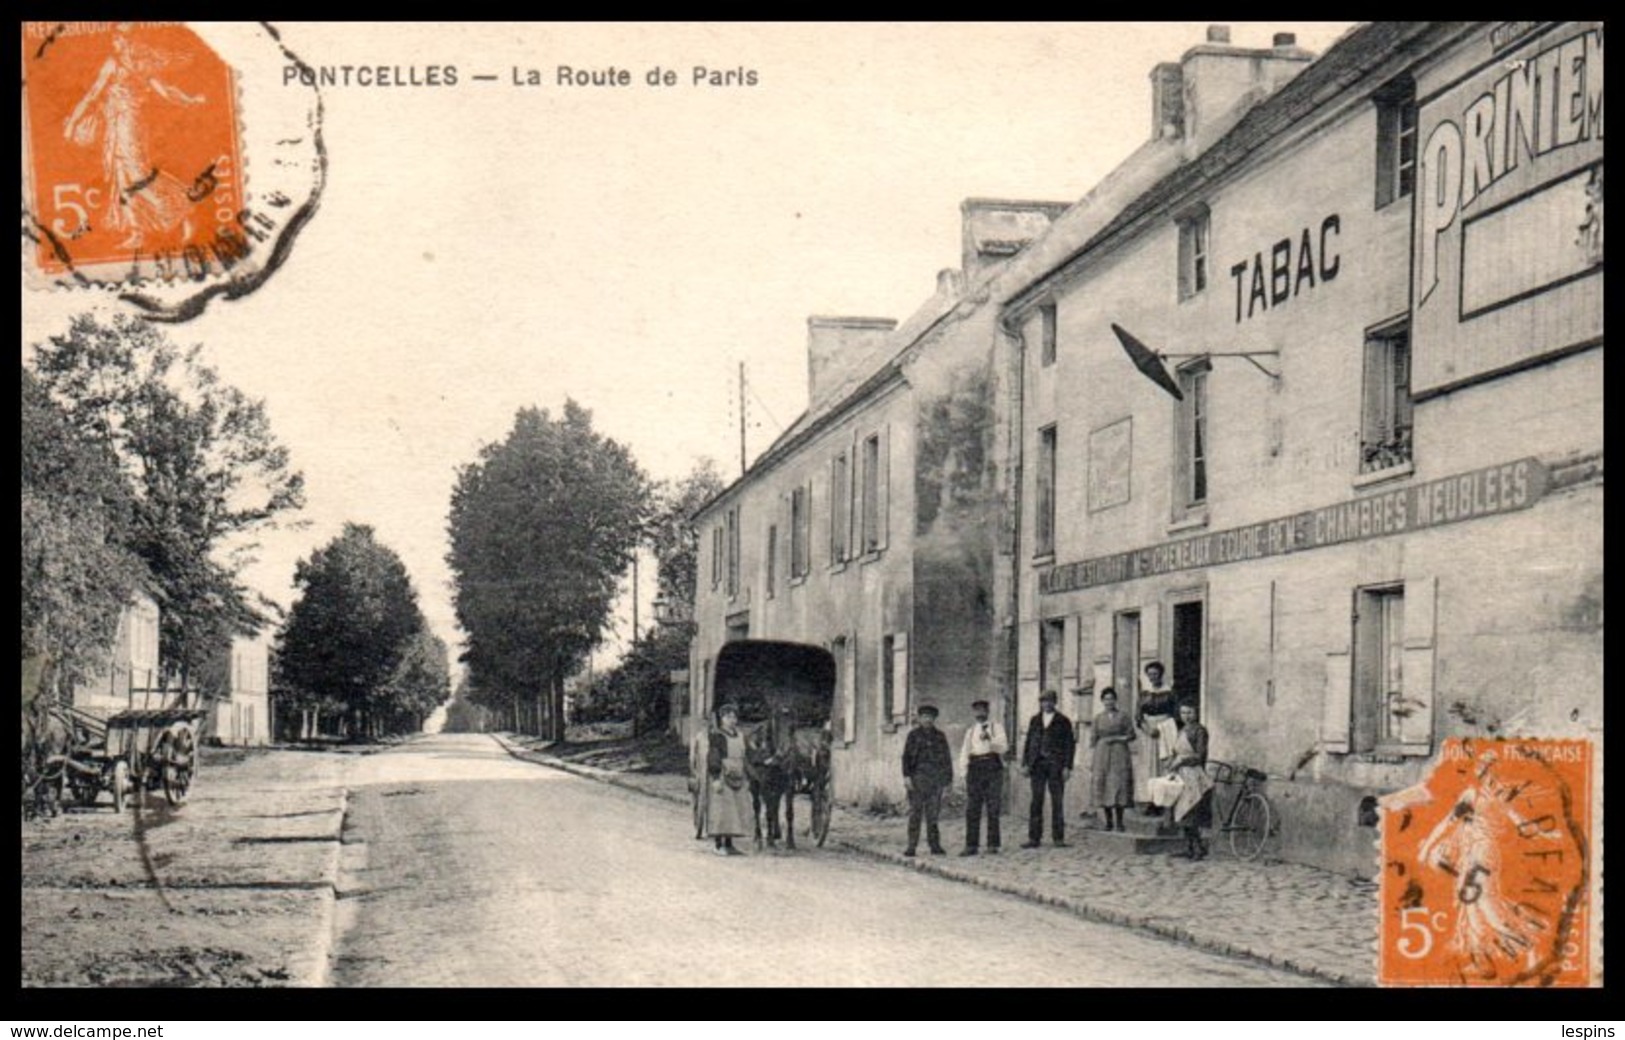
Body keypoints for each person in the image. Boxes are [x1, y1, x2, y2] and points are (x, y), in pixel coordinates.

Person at [1020, 690, 1076, 848]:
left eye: (1050, 701)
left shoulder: (1063, 721)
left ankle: (1058, 838)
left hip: (1055, 765)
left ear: (1055, 702)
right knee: (1036, 801)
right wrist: (1025, 763)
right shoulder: (1035, 720)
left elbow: (1069, 745)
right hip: (1037, 764)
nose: (1047, 704)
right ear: (1040, 703)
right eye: (1044, 701)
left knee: (1057, 801)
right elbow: (1029, 743)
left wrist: (1067, 766)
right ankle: (1034, 838)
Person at [901, 702, 953, 856]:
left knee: (933, 815)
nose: (927, 720)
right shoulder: (913, 736)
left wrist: (948, 781)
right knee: (915, 814)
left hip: (935, 780)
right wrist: (907, 776)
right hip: (917, 779)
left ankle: (935, 846)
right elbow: (906, 758)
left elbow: (946, 759)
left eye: (930, 717)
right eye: (924, 717)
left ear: (934, 719)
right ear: (919, 718)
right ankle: (911, 846)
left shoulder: (940, 737)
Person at [957, 698, 1008, 855]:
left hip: (992, 767)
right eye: (977, 711)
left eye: (982, 710)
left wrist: (990, 740)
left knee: (993, 806)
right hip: (975, 768)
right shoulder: (970, 731)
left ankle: (993, 844)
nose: (980, 713)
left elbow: (1004, 747)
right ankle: (971, 845)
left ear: (987, 712)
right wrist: (964, 773)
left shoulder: (996, 727)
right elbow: (965, 753)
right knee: (973, 808)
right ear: (974, 713)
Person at [1168, 700, 1216, 860]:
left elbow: (1200, 755)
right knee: (1181, 812)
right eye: (1183, 713)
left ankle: (1198, 848)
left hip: (1194, 774)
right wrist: (1172, 761)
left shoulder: (1200, 731)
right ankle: (1188, 847)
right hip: (1181, 774)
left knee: (1191, 811)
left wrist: (1182, 761)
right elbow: (1176, 752)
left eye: (1190, 713)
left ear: (1196, 713)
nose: (1186, 716)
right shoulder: (1181, 730)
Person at [705, 703, 753, 856]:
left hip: (738, 776)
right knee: (722, 811)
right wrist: (715, 778)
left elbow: (746, 756)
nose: (732, 720)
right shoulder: (717, 736)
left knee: (735, 811)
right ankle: (718, 845)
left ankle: (730, 844)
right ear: (722, 719)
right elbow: (714, 757)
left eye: (734, 717)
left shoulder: (740, 736)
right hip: (723, 776)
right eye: (728, 717)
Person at [1090, 688, 1136, 832]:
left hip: (1119, 752)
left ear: (1115, 700)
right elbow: (1093, 738)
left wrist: (1119, 738)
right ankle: (1108, 821)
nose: (1109, 702)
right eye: (1106, 699)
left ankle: (1120, 822)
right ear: (1102, 701)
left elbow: (1131, 735)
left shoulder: (1123, 716)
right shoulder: (1098, 718)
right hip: (1102, 752)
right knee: (1103, 783)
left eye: (1111, 699)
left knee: (1119, 783)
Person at [1136, 661, 1178, 815]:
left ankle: (1164, 801)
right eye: (1150, 674)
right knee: (1148, 765)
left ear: (1161, 674)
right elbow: (1138, 717)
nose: (1153, 677)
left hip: (1166, 730)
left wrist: (1165, 727)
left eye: (1155, 674)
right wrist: (1148, 730)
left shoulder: (1169, 692)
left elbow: (1175, 713)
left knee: (1164, 764)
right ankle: (1150, 800)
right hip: (1148, 732)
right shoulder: (1144, 694)